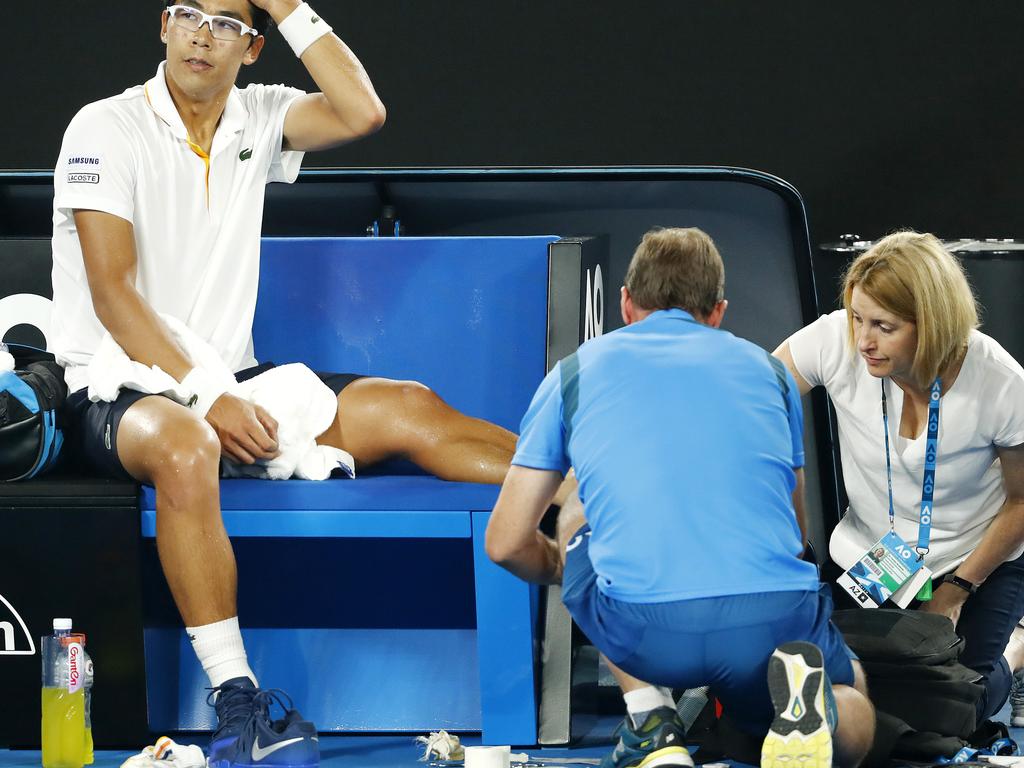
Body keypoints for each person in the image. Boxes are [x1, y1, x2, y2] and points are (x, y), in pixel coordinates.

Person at [50, 2, 521, 766]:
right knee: (186, 445)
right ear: (163, 29)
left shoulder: (259, 116)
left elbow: (362, 110)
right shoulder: (103, 127)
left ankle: (576, 493)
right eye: (187, 15)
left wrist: (291, 6)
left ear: (254, 46)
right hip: (119, 386)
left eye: (227, 22)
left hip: (234, 378)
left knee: (407, 406)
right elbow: (114, 293)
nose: (203, 33)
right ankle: (239, 706)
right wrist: (206, 394)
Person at [486, 227, 875, 768]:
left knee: (580, 506)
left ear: (625, 303)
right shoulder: (771, 372)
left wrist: (565, 567)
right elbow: (794, 522)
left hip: (644, 629)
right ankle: (813, 716)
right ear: (718, 311)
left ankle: (651, 721)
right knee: (852, 689)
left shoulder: (573, 372)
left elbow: (504, 543)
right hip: (773, 619)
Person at [774, 230, 1024, 725]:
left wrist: (955, 590)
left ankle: (1015, 652)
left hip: (976, 560)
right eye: (856, 318)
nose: (863, 341)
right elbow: (753, 397)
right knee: (856, 697)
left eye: (884, 327)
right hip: (875, 556)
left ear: (931, 325)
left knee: (951, 711)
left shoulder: (1000, 381)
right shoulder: (836, 340)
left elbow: (1021, 502)